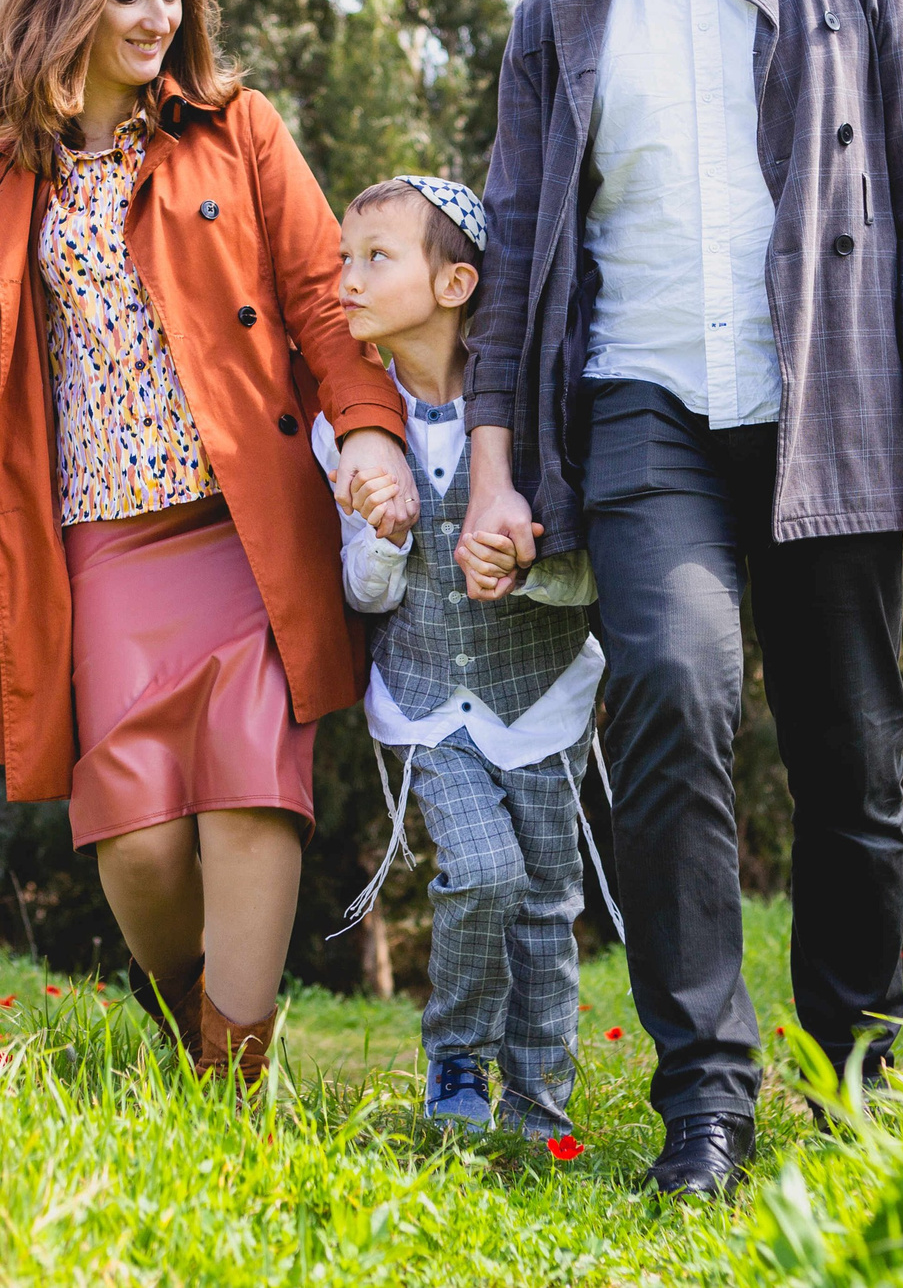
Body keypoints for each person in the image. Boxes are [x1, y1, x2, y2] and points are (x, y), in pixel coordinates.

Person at [458, 0, 903, 1195]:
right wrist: (492, 465)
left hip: (833, 403)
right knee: (669, 703)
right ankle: (706, 1095)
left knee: (851, 763)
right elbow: (513, 258)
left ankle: (854, 1075)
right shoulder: (556, 15)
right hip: (644, 406)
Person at [0, 0, 415, 1079]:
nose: (155, 18)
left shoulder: (236, 128)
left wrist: (367, 429)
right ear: (67, 5)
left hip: (245, 526)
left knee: (251, 798)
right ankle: (199, 1031)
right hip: (99, 544)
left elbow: (320, 298)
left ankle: (229, 1089)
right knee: (134, 838)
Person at [313, 176, 615, 1139]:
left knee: (546, 898)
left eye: (376, 257)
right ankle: (455, 1061)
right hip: (427, 699)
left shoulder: (535, 419)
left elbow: (589, 574)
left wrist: (526, 568)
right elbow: (366, 594)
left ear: (454, 284)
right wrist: (386, 535)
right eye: (344, 259)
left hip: (543, 697)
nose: (347, 279)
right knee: (482, 870)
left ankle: (538, 1102)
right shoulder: (349, 431)